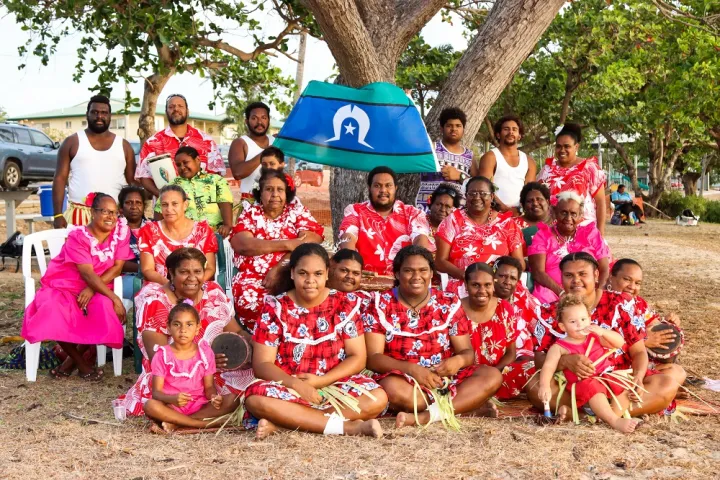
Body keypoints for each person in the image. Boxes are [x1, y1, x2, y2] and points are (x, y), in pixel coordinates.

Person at [244, 243, 386, 439]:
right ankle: (348, 428)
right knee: (256, 400)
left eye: (318, 274)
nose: (310, 281)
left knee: (377, 398)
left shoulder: (345, 304)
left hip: (334, 382)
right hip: (288, 387)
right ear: (292, 273)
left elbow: (358, 357)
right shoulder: (275, 307)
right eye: (303, 273)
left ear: (328, 274)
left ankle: (286, 423)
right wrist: (297, 385)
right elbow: (262, 364)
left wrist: (321, 381)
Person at [527, 252, 685, 417]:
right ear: (561, 277)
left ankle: (583, 414)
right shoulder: (548, 313)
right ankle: (610, 413)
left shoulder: (620, 305)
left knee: (666, 384)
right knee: (534, 386)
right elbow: (540, 361)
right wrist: (565, 362)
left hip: (620, 382)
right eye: (568, 275)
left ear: (596, 275)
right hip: (575, 386)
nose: (576, 281)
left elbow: (638, 351)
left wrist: (638, 377)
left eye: (582, 274)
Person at [364, 246, 503, 427]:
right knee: (392, 390)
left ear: (431, 273)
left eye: (423, 270)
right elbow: (373, 359)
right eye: (408, 271)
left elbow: (467, 353)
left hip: (443, 379)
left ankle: (424, 417)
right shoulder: (379, 304)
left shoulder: (449, 302)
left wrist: (457, 361)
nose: (417, 277)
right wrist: (412, 370)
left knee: (492, 376)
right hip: (403, 378)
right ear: (397, 274)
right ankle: (464, 406)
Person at [120, 248, 251, 417]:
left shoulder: (213, 292)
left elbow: (237, 330)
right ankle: (193, 421)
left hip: (213, 371)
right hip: (173, 378)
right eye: (183, 272)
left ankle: (181, 422)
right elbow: (158, 357)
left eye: (197, 271)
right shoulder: (156, 302)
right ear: (171, 274)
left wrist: (251, 345)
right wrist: (208, 358)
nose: (192, 278)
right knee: (228, 397)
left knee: (249, 383)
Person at [22, 193, 132, 380]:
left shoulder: (121, 231)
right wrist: (114, 297)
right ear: (92, 212)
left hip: (100, 283)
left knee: (103, 308)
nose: (111, 217)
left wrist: (94, 290)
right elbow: (87, 273)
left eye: (114, 212)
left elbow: (117, 267)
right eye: (105, 211)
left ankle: (68, 364)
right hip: (64, 282)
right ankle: (81, 364)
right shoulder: (78, 237)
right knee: (52, 310)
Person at [230, 169, 323, 331]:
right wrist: (287, 244)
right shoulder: (251, 213)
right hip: (252, 279)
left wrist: (279, 268)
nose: (274, 194)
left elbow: (311, 239)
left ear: (287, 193)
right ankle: (258, 342)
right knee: (251, 300)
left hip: (290, 276)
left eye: (280, 189)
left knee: (295, 306)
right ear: (260, 193)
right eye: (269, 189)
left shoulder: (296, 212)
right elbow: (242, 244)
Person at [537, 294, 641, 433]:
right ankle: (614, 420)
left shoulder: (595, 336)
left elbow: (620, 343)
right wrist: (544, 386)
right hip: (584, 386)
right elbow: (548, 366)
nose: (580, 324)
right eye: (573, 322)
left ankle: (608, 416)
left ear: (590, 319)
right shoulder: (559, 347)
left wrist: (603, 332)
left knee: (626, 387)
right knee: (593, 387)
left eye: (583, 319)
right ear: (562, 326)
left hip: (606, 379)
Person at [53, 95, 136, 227]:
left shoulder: (124, 146)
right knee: (77, 248)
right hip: (79, 215)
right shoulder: (72, 142)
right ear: (87, 114)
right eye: (95, 112)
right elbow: (59, 179)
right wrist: (57, 214)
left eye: (104, 113)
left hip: (114, 216)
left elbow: (132, 182)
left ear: (110, 116)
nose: (99, 116)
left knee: (115, 248)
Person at [435, 176, 525, 297]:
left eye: (483, 193)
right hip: (464, 283)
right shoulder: (452, 221)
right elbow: (440, 261)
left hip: (501, 286)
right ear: (466, 196)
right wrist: (466, 276)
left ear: (492, 197)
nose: (477, 197)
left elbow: (519, 263)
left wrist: (499, 280)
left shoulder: (507, 224)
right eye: (472, 193)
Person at [144, 304, 224, 433]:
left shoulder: (205, 352)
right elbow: (156, 393)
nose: (183, 330)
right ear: (169, 328)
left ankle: (178, 423)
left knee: (232, 399)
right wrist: (172, 399)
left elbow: (209, 387)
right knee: (150, 406)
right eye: (177, 324)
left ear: (198, 328)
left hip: (200, 405)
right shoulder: (162, 355)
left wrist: (213, 397)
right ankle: (201, 424)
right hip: (172, 406)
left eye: (189, 324)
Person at [462, 263, 535, 400]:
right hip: (467, 375)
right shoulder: (455, 310)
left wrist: (494, 373)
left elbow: (511, 352)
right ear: (466, 285)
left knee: (532, 367)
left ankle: (482, 395)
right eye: (475, 285)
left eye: (487, 285)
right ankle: (477, 397)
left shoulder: (504, 308)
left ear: (493, 284)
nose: (482, 290)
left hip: (499, 371)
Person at [339, 167, 431, 275]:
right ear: (369, 188)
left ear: (395, 188)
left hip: (403, 283)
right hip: (364, 280)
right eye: (377, 186)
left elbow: (420, 238)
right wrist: (351, 265)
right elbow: (348, 235)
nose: (383, 190)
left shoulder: (413, 213)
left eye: (388, 185)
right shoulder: (355, 211)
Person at [135, 94, 225, 198]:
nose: (176, 109)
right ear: (166, 112)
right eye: (171, 107)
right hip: (168, 209)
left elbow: (217, 174)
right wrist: (162, 196)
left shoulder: (206, 141)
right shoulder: (153, 143)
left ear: (188, 111)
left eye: (180, 106)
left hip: (201, 207)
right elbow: (143, 176)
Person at [528, 191, 610, 304]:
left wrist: (598, 293)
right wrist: (562, 293)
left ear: (580, 216)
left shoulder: (591, 234)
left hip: (590, 292)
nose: (568, 218)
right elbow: (538, 272)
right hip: (552, 293)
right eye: (564, 213)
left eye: (573, 213)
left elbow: (605, 268)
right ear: (554, 213)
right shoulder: (543, 236)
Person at [137, 185, 217, 286]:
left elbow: (210, 268)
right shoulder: (149, 231)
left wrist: (193, 285)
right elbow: (147, 270)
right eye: (165, 205)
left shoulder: (203, 231)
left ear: (185, 205)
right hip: (161, 286)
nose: (169, 209)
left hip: (197, 285)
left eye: (175, 204)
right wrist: (172, 285)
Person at [537, 123, 607, 235]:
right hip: (551, 232)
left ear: (576, 147)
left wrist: (600, 233)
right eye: (558, 146)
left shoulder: (590, 168)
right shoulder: (547, 169)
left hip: (584, 231)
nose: (562, 150)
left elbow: (601, 202)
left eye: (567, 146)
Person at [608, 259, 683, 362]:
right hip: (611, 362)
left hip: (638, 362)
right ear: (611, 277)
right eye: (627, 279)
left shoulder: (639, 304)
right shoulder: (600, 303)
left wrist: (666, 324)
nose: (632, 287)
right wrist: (641, 341)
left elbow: (653, 324)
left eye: (637, 283)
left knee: (677, 372)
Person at [153, 146, 233, 237]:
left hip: (213, 233)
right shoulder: (172, 186)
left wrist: (227, 225)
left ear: (197, 160)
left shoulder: (216, 180)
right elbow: (159, 211)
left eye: (185, 162)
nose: (182, 167)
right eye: (178, 165)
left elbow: (225, 203)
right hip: (184, 235)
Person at [415, 108, 474, 211]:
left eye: (458, 126)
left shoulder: (470, 156)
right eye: (449, 125)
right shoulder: (431, 149)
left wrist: (460, 176)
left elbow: (477, 186)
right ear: (441, 128)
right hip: (427, 210)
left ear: (463, 129)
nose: (454, 129)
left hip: (456, 214)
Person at [474, 115, 536, 212]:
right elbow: (485, 189)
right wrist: (505, 210)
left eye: (514, 129)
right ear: (498, 134)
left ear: (519, 135)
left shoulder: (529, 161)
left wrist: (519, 210)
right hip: (494, 213)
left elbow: (530, 192)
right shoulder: (490, 157)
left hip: (520, 214)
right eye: (506, 129)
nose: (511, 132)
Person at [228, 101, 275, 199]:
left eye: (264, 118)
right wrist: (266, 152)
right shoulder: (240, 143)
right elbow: (238, 173)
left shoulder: (276, 141)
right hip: (250, 201)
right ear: (247, 121)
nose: (259, 122)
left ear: (269, 120)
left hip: (275, 201)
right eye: (254, 118)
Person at [118, 185, 149, 298]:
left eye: (138, 203)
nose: (134, 206)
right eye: (129, 202)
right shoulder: (113, 229)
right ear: (121, 207)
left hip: (153, 276)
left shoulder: (154, 227)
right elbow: (116, 263)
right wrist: (145, 269)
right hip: (124, 278)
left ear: (144, 206)